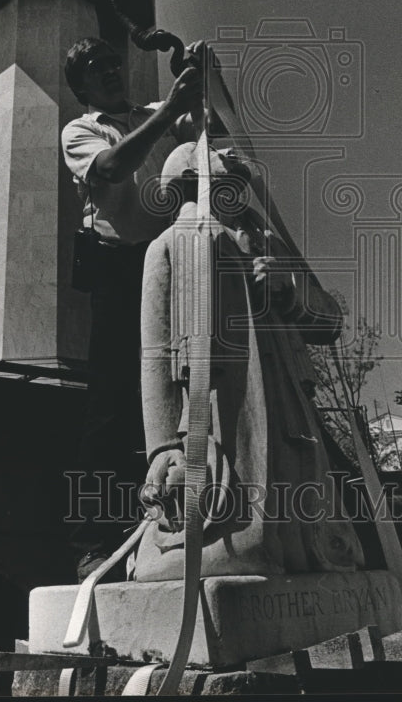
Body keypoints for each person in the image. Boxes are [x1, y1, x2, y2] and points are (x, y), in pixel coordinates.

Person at [135, 141, 363, 580]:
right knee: (234, 526)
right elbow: (154, 357)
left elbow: (329, 321)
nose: (236, 186)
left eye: (241, 181)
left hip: (287, 406)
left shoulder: (271, 245)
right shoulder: (166, 247)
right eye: (225, 176)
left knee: (307, 524)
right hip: (218, 411)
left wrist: (289, 290)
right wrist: (162, 448)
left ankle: (307, 556)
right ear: (189, 182)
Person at [61, 37, 202, 579]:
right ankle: (91, 540)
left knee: (186, 389)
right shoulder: (81, 130)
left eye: (114, 62)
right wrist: (172, 107)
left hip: (172, 263)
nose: (112, 71)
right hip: (119, 269)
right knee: (112, 404)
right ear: (82, 88)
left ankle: (182, 514)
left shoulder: (157, 114)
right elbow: (114, 167)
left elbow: (214, 137)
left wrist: (198, 79)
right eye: (97, 67)